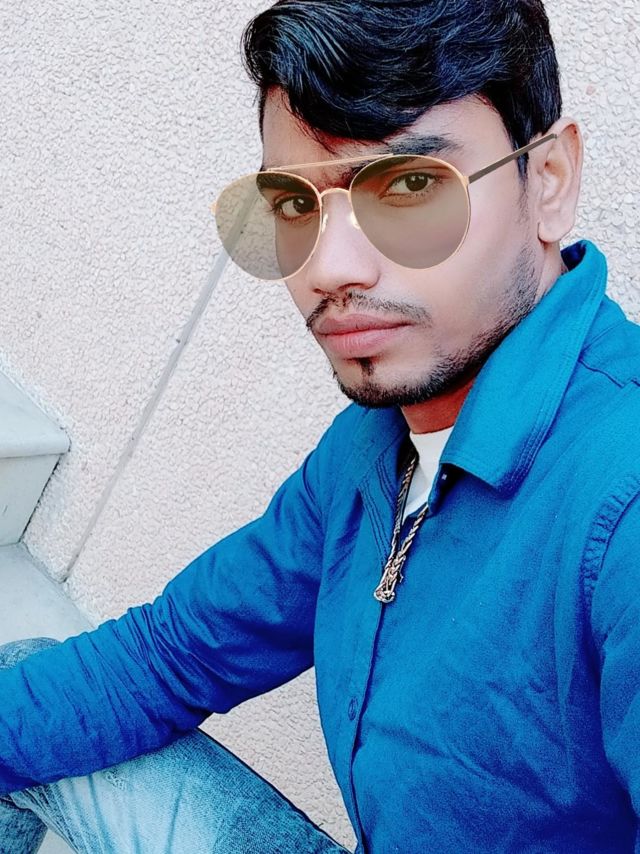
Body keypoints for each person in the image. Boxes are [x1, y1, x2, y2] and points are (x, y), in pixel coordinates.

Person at [2, 0, 640, 851]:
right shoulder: (374, 447)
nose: (329, 268)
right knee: (24, 687)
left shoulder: (619, 502)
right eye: (294, 205)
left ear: (548, 180)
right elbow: (171, 657)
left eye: (409, 186)